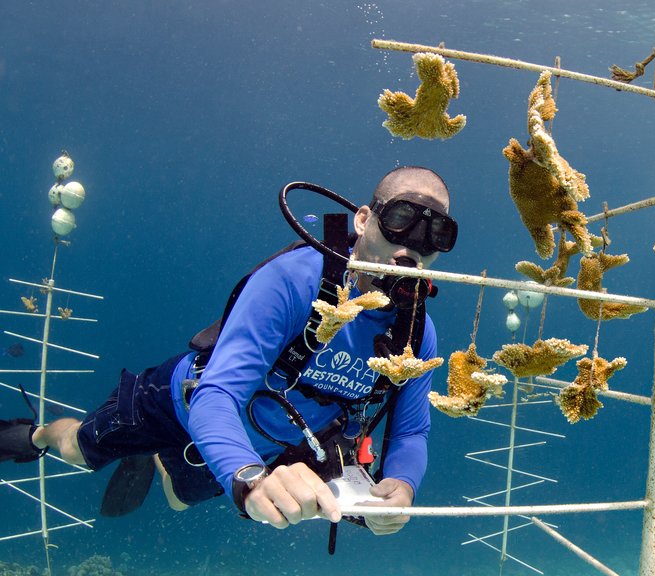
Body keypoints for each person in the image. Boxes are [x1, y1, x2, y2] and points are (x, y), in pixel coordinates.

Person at [0, 166, 457, 535]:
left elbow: (412, 432)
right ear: (363, 219)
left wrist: (402, 484)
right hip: (179, 402)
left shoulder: (416, 332)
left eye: (437, 233)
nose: (413, 244)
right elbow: (216, 394)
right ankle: (37, 433)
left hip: (254, 444)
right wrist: (246, 477)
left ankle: (162, 460)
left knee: (180, 499)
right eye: (401, 218)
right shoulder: (294, 281)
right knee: (78, 448)